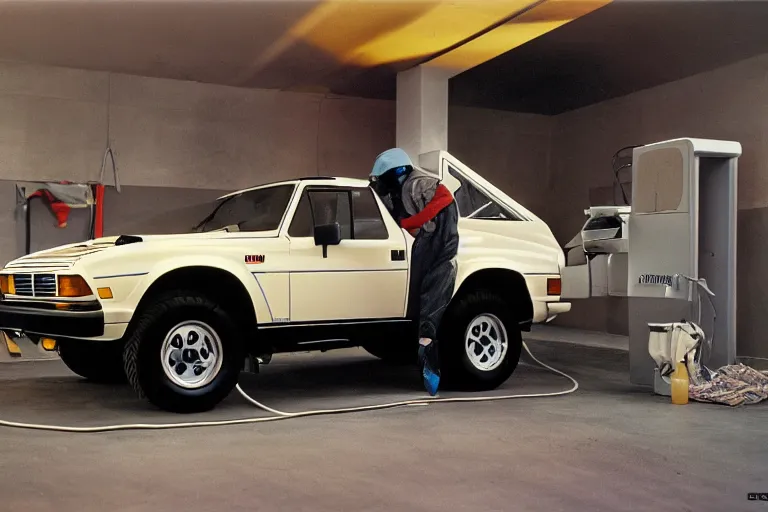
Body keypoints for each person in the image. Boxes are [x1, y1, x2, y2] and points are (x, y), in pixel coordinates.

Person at [369, 148, 459, 396]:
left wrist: (411, 223)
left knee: (433, 287)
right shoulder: (396, 192)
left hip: (439, 242)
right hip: (424, 242)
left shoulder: (417, 184)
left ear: (396, 173)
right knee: (419, 294)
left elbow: (444, 198)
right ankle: (423, 342)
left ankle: (427, 345)